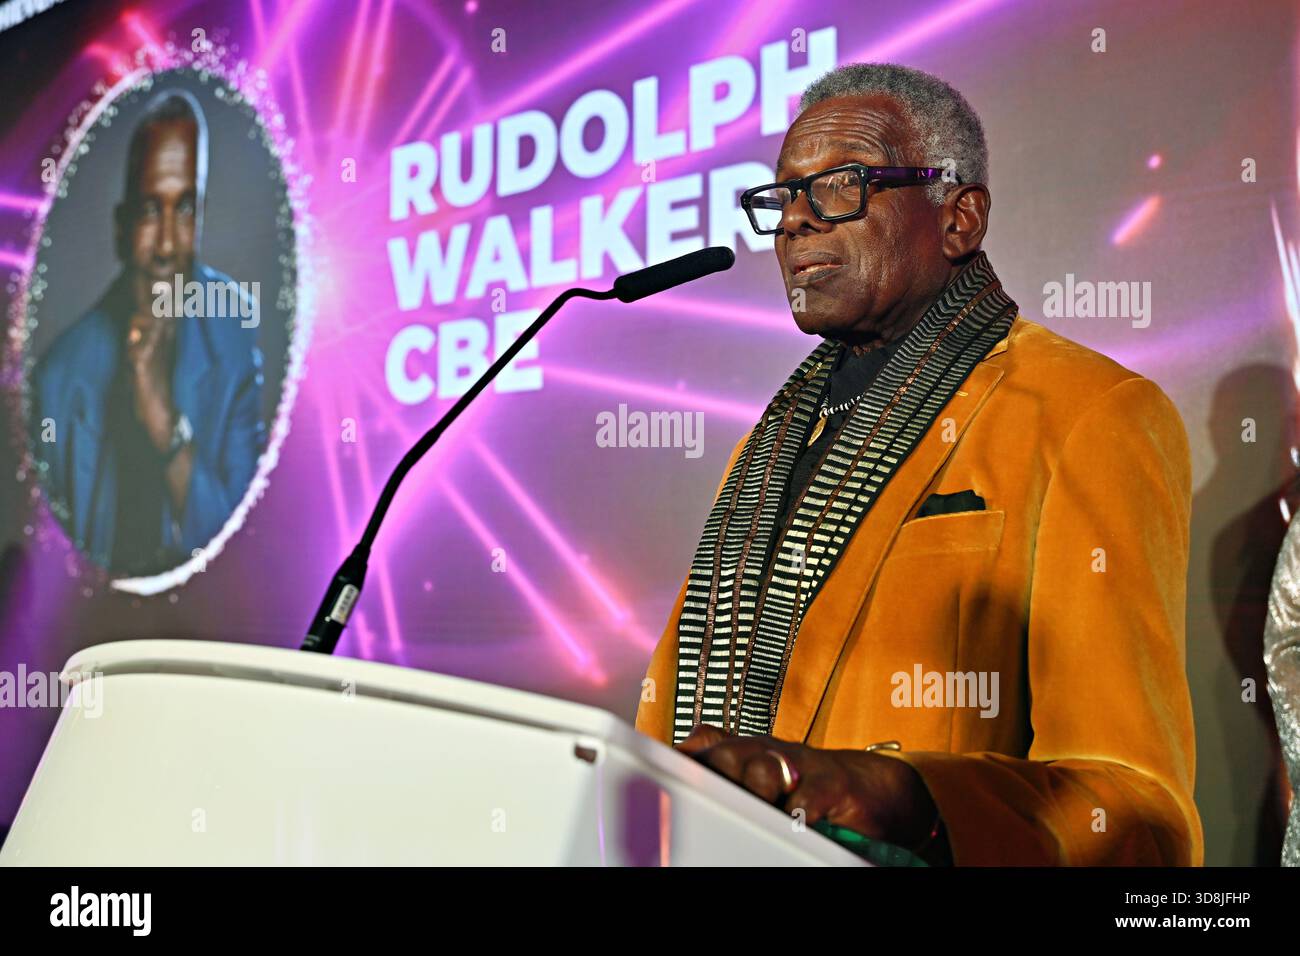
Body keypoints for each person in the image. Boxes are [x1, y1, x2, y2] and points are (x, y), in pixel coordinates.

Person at [635, 63, 1201, 865]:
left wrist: (908, 799)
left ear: (959, 218)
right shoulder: (760, 455)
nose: (794, 221)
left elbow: (1138, 807)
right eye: (784, 196)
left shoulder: (1088, 414)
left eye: (840, 186)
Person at [32, 89, 264, 576]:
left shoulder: (236, 332)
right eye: (151, 210)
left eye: (185, 209)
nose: (167, 246)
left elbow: (245, 553)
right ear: (122, 226)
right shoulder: (59, 378)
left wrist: (165, 425)